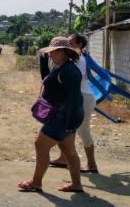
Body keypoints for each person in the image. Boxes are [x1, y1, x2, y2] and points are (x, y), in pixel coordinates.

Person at [17, 36, 85, 193]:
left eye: (53, 52)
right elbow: (47, 80)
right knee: (68, 150)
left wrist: (70, 122)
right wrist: (43, 62)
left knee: (40, 145)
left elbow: (75, 99)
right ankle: (76, 185)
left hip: (63, 117)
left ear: (63, 51)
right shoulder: (60, 66)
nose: (50, 55)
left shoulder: (69, 71)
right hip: (64, 117)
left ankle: (36, 182)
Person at [49, 34, 98, 173]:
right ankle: (63, 158)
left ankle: (92, 165)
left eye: (70, 42)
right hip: (81, 97)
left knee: (83, 131)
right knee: (68, 130)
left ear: (79, 45)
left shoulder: (76, 60)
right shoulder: (76, 58)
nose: (67, 44)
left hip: (82, 98)